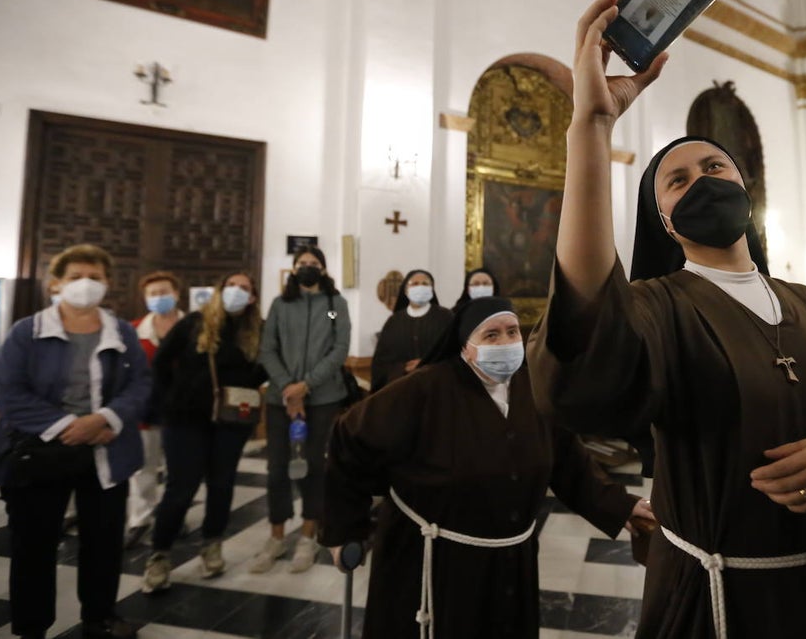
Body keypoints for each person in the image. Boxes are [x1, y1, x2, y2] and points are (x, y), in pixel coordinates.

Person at [525, 0, 806, 639]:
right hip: (715, 600)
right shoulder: (657, 307)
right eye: (677, 180)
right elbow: (585, 351)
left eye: (714, 167)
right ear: (663, 220)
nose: (701, 180)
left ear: (744, 187)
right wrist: (591, 127)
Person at [321, 297, 654, 639]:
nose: (506, 343)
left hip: (510, 560)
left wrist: (618, 505)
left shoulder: (533, 388)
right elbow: (349, 438)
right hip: (435, 563)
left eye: (512, 332)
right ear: (465, 348)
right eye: (491, 335)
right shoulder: (423, 389)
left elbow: (568, 460)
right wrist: (346, 528)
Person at [0, 244, 150, 639]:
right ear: (57, 283)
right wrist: (69, 425)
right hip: (41, 449)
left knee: (103, 541)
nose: (86, 284)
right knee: (34, 545)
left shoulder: (122, 331)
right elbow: (10, 392)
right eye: (76, 276)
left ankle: (99, 617)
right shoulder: (27, 332)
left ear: (107, 284)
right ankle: (31, 627)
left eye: (95, 277)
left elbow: (140, 383)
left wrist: (105, 418)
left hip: (105, 448)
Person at [141, 271, 267, 593]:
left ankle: (212, 545)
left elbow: (264, 368)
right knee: (180, 488)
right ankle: (160, 555)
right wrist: (169, 401)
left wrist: (242, 392)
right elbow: (161, 363)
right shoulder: (195, 322)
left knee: (221, 484)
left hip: (230, 420)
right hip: (185, 419)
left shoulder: (257, 331)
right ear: (220, 289)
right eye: (231, 285)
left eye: (244, 288)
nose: (236, 291)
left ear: (252, 298)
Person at [253, 245, 351, 574]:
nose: (307, 267)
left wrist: (306, 385)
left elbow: (339, 349)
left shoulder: (335, 305)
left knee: (312, 466)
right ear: (294, 269)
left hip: (322, 398)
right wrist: (288, 388)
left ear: (323, 269)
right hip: (280, 399)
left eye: (313, 263)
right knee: (278, 468)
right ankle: (276, 536)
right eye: (302, 263)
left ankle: (308, 537)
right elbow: (268, 349)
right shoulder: (281, 305)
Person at [126, 271, 185, 549]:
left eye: (164, 292)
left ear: (176, 294)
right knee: (143, 468)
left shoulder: (194, 326)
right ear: (145, 298)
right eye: (153, 294)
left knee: (179, 469)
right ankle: (141, 518)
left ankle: (175, 515)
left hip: (183, 411)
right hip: (146, 411)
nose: (159, 298)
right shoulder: (134, 329)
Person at [369, 269, 452, 393]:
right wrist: (403, 368)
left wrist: (428, 365)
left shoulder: (446, 317)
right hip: (402, 390)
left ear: (432, 289)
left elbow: (456, 355)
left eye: (425, 284)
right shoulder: (394, 322)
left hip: (438, 389)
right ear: (406, 290)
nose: (420, 287)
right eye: (415, 284)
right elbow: (380, 364)